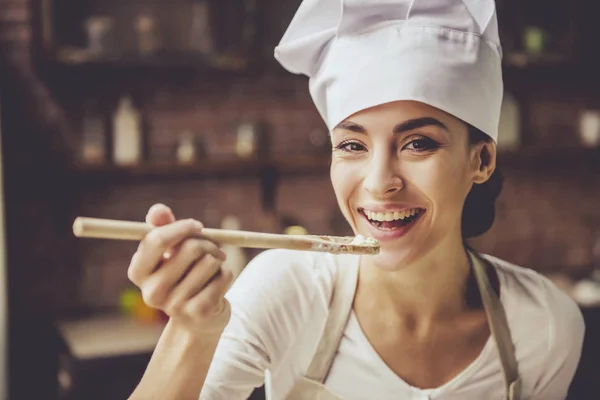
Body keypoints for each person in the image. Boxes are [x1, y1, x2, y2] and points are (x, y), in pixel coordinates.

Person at [127, 1, 585, 399]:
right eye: (352, 145)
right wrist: (192, 331)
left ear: (481, 159)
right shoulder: (286, 291)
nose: (379, 182)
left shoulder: (544, 325)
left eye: (418, 143)